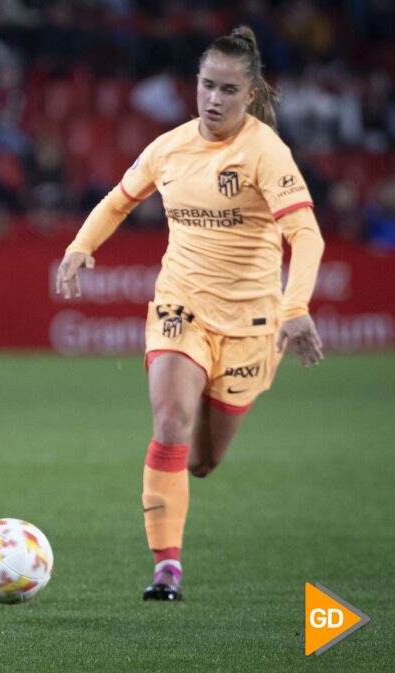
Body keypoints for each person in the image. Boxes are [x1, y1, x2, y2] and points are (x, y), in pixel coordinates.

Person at [55, 26, 325, 601]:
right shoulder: (169, 147)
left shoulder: (265, 153)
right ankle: (166, 568)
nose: (214, 99)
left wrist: (296, 307)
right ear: (194, 84)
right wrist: (82, 246)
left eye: (228, 90)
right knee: (171, 421)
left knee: (201, 462)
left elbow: (305, 234)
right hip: (181, 307)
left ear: (249, 96)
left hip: (252, 325)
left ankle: (184, 483)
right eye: (207, 85)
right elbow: (118, 201)